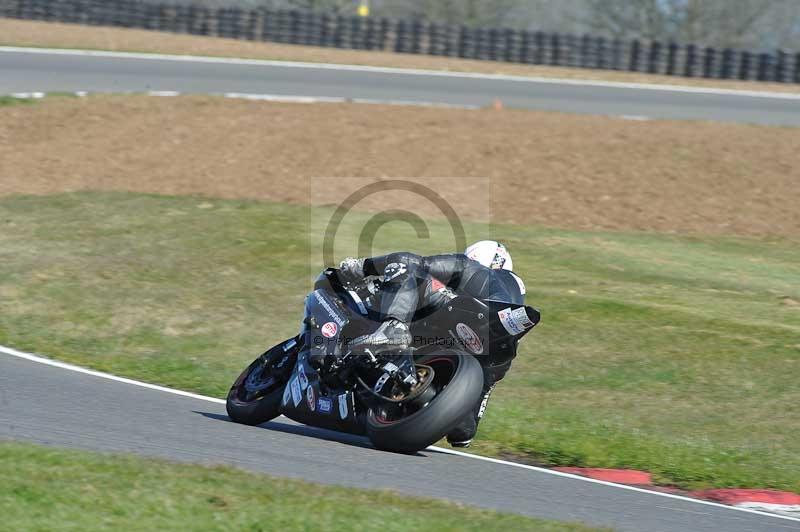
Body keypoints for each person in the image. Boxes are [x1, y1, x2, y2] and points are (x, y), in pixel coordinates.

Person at [338, 240, 526, 448]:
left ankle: (394, 328)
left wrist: (360, 267)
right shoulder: (511, 295)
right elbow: (462, 436)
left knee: (407, 268)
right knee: (464, 429)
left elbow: (409, 261)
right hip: (499, 343)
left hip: (465, 316)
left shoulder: (474, 269)